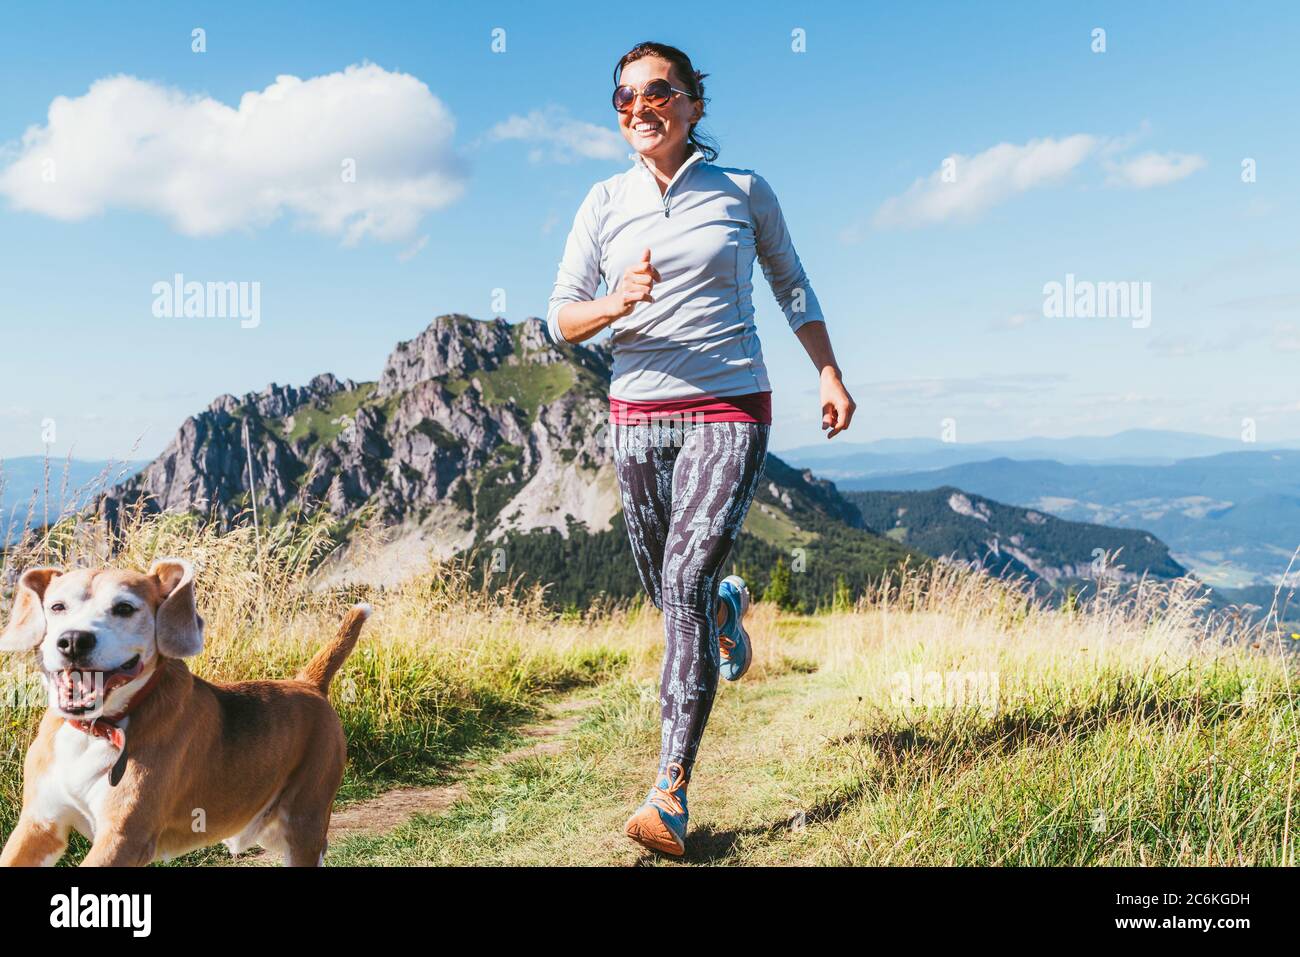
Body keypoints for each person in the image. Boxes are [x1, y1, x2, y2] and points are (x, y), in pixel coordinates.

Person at [545, 41, 855, 857]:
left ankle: (669, 790)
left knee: (681, 576)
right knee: (669, 589)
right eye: (623, 97)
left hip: (729, 401)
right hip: (638, 412)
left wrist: (828, 372)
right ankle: (724, 609)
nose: (638, 107)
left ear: (692, 105)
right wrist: (618, 301)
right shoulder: (604, 201)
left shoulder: (743, 192)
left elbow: (793, 284)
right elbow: (561, 317)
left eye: (656, 92)